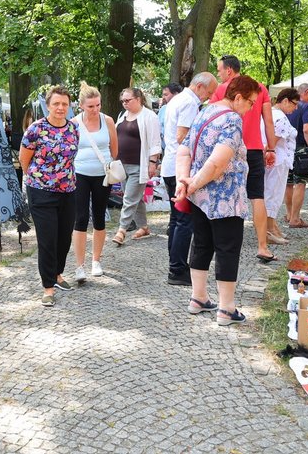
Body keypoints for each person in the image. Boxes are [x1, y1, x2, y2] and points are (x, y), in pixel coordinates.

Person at [173, 75, 262, 325]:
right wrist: (191, 184)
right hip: (226, 197)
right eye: (251, 102)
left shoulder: (204, 112)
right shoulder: (232, 119)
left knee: (201, 244)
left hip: (199, 197)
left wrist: (185, 182)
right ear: (237, 98)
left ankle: (198, 298)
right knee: (227, 249)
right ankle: (226, 309)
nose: (251, 108)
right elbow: (218, 163)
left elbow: (184, 149)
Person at [209, 55, 277, 261]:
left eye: (220, 70)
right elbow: (269, 121)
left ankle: (216, 243)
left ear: (229, 70)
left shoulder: (222, 90)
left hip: (228, 147)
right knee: (257, 196)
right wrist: (271, 148)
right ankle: (262, 246)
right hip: (255, 148)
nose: (219, 74)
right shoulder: (259, 87)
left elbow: (213, 116)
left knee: (221, 192)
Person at [20, 85, 79, 307]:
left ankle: (57, 274)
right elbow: (24, 160)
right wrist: (37, 181)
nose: (60, 107)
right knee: (47, 239)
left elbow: (70, 158)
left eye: (64, 103)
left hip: (68, 191)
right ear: (48, 106)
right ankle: (48, 287)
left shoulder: (73, 129)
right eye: (56, 103)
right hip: (41, 191)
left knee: (64, 238)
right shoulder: (36, 129)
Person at [161, 72, 218, 286]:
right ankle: (177, 269)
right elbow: (182, 136)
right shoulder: (190, 103)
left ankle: (176, 265)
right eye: (209, 92)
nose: (209, 97)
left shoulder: (178, 99)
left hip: (171, 165)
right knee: (184, 221)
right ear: (200, 87)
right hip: (179, 168)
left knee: (177, 220)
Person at [71, 82, 119, 282]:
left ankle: (96, 261)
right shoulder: (74, 123)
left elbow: (114, 148)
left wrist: (108, 165)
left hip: (102, 174)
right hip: (80, 173)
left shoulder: (107, 121)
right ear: (81, 105)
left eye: (98, 105)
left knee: (99, 216)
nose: (95, 109)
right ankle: (79, 265)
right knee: (80, 218)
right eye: (91, 106)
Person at [112, 87, 162, 244]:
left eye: (128, 100)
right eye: (122, 101)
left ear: (138, 99)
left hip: (139, 165)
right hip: (121, 164)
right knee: (135, 196)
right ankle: (143, 227)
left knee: (128, 198)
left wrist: (153, 163)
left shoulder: (149, 116)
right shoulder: (122, 115)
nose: (125, 104)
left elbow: (155, 142)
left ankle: (122, 230)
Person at [262, 88, 300, 254]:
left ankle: (272, 227)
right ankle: (269, 230)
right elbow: (273, 141)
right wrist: (267, 152)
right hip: (277, 160)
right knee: (273, 194)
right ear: (285, 101)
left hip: (274, 159)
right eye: (294, 104)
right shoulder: (280, 117)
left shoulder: (270, 113)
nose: (295, 108)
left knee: (271, 194)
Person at [284, 84, 308, 229]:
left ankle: (289, 214)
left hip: (287, 148)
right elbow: (307, 129)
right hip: (302, 148)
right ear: (307, 92)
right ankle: (295, 218)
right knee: (300, 183)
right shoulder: (306, 107)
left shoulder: (286, 108)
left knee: (288, 183)